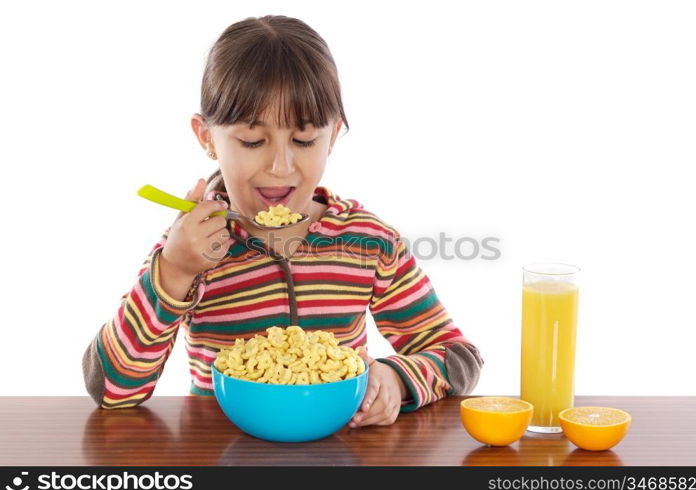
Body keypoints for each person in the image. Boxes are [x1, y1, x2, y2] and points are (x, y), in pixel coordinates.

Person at [82, 15, 484, 428]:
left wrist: (396, 381)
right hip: (219, 456)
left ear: (334, 135)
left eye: (304, 140)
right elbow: (111, 390)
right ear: (207, 138)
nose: (279, 166)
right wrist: (174, 271)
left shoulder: (369, 241)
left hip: (340, 458)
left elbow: (458, 357)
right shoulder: (190, 247)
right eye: (252, 141)